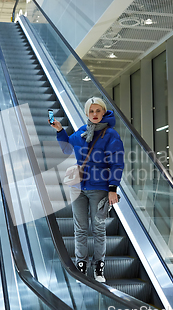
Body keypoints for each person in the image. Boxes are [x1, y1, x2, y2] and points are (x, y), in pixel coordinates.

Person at [50, 97, 124, 282]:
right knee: (80, 229)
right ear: (86, 113)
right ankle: (81, 264)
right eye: (91, 111)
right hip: (78, 188)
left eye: (98, 111)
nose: (95, 114)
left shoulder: (111, 135)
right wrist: (60, 130)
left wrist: (112, 188)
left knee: (98, 228)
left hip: (99, 188)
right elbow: (67, 149)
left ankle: (99, 267)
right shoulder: (82, 132)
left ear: (104, 111)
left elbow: (117, 163)